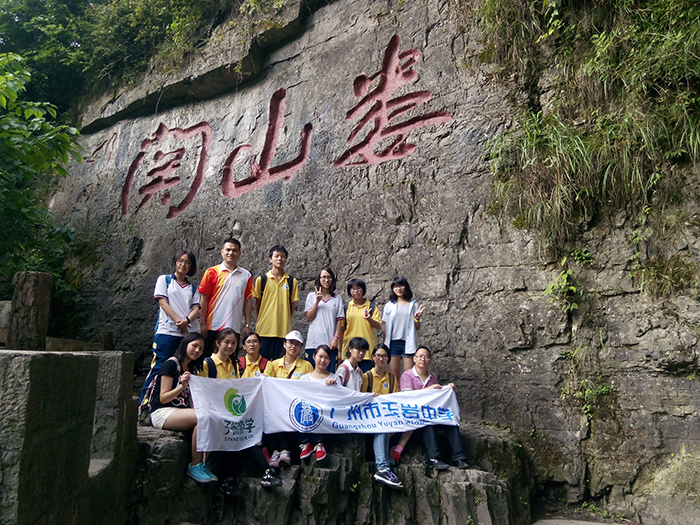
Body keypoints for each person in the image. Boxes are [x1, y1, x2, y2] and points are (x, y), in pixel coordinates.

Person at [201, 330, 281, 488]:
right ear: (217, 343)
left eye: (233, 343)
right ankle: (250, 475)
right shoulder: (207, 364)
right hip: (214, 413)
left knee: (242, 436)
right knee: (236, 437)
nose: (230, 346)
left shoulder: (234, 365)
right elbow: (201, 390)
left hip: (230, 413)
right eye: (226, 342)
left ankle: (242, 477)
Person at [147, 332, 216, 483]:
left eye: (201, 348)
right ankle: (195, 465)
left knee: (212, 417)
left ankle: (203, 463)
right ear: (185, 344)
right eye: (194, 346)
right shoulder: (171, 364)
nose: (197, 350)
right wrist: (181, 386)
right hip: (162, 412)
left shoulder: (192, 369)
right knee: (203, 417)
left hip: (180, 411)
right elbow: (163, 398)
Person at [140, 250, 201, 403]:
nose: (183, 265)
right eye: (181, 261)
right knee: (159, 367)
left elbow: (196, 308)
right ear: (175, 261)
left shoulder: (193, 288)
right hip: (167, 332)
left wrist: (186, 321)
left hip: (187, 335)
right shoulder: (165, 280)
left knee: (185, 369)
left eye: (187, 262)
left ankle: (178, 403)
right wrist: (179, 322)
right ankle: (145, 404)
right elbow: (163, 303)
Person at [400, 345, 469, 470]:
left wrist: (447, 389)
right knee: (427, 422)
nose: (423, 359)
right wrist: (428, 389)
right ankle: (434, 458)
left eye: (426, 357)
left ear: (430, 360)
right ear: (414, 359)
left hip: (431, 414)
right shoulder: (407, 375)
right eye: (420, 356)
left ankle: (459, 458)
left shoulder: (433, 377)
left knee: (451, 421)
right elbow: (408, 397)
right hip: (414, 418)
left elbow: (437, 399)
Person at [198, 237, 253, 356]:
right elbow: (204, 299)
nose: (231, 253)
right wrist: (202, 323)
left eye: (234, 250)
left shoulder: (246, 275)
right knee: (209, 360)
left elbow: (248, 301)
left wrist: (247, 325)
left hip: (234, 327)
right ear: (222, 252)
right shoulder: (211, 272)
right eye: (228, 250)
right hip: (212, 326)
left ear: (239, 253)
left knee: (230, 361)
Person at [266, 330, 314, 467]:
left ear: (301, 347)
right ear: (284, 344)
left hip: (296, 406)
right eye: (291, 343)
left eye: (297, 344)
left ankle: (284, 450)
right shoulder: (273, 364)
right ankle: (275, 452)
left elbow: (311, 386)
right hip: (275, 405)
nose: (293, 346)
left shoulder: (306, 366)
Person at [360, 344, 403, 489]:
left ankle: (384, 464)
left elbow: (396, 401)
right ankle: (383, 468)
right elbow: (361, 399)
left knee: (385, 425)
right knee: (381, 426)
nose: (381, 359)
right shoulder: (367, 376)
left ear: (388, 359)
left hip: (388, 419)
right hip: (369, 420)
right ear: (373, 357)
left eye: (384, 356)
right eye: (378, 355)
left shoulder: (392, 378)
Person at [253, 245, 299, 360]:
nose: (279, 259)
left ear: (286, 259)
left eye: (282, 256)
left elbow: (292, 306)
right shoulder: (262, 280)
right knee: (262, 364)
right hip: (264, 330)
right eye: (276, 256)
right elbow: (257, 303)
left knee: (281, 365)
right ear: (270, 259)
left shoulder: (291, 281)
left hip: (283, 331)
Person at [298, 345, 340, 461]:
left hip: (325, 414)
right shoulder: (304, 379)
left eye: (326, 358)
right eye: (320, 356)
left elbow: (339, 399)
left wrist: (335, 386)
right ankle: (306, 443)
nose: (323, 360)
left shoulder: (335, 378)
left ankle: (318, 443)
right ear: (314, 357)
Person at [382, 276, 425, 378]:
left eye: (401, 285)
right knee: (393, 375)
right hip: (393, 342)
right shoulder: (389, 305)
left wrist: (417, 318)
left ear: (406, 287)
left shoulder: (413, 304)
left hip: (408, 342)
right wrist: (384, 346)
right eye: (395, 286)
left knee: (409, 375)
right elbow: (386, 326)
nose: (399, 289)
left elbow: (417, 327)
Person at [304, 267, 344, 372]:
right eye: (324, 277)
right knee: (311, 374)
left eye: (329, 277)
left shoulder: (337, 298)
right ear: (319, 279)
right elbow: (309, 318)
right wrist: (317, 301)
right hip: (313, 343)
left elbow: (339, 320)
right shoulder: (311, 296)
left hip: (330, 343)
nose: (326, 280)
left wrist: (336, 338)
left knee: (329, 374)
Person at [342, 278, 382, 373]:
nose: (356, 291)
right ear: (349, 291)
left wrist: (369, 319)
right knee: (349, 378)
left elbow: (378, 325)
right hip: (350, 349)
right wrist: (340, 351)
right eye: (353, 289)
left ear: (363, 289)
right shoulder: (346, 307)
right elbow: (341, 329)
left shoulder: (371, 306)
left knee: (366, 378)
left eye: (359, 288)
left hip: (367, 351)